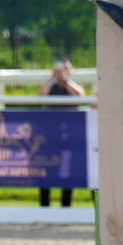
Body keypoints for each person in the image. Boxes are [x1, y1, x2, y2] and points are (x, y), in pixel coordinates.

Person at [38, 58, 85, 208]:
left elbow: (80, 96)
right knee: (46, 170)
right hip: (50, 135)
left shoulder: (74, 86)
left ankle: (66, 206)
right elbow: (40, 96)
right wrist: (51, 80)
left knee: (68, 172)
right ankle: (44, 206)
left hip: (69, 137)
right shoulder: (50, 87)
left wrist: (66, 80)